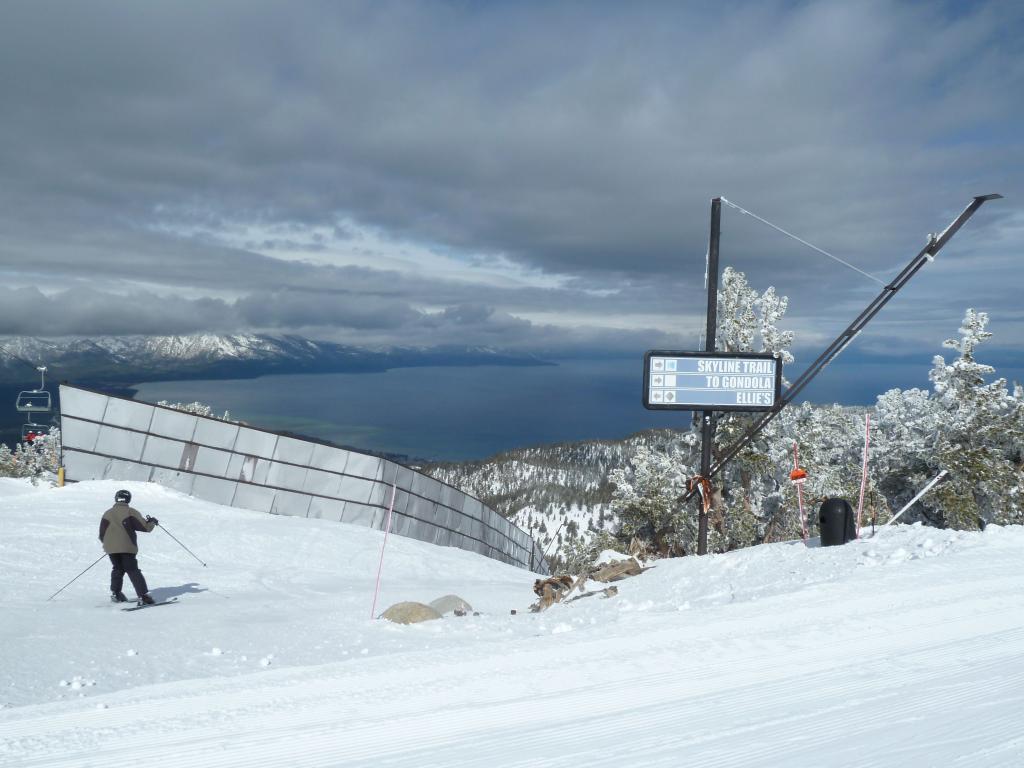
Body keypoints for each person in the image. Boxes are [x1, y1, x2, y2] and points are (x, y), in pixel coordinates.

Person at [98, 489, 158, 604]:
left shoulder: (107, 513)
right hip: (127, 548)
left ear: (116, 498)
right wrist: (152, 522)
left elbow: (102, 534)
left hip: (111, 549)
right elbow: (145, 527)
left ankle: (116, 594)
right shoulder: (130, 512)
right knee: (132, 570)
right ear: (128, 499)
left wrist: (110, 545)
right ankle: (144, 597)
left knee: (118, 569)